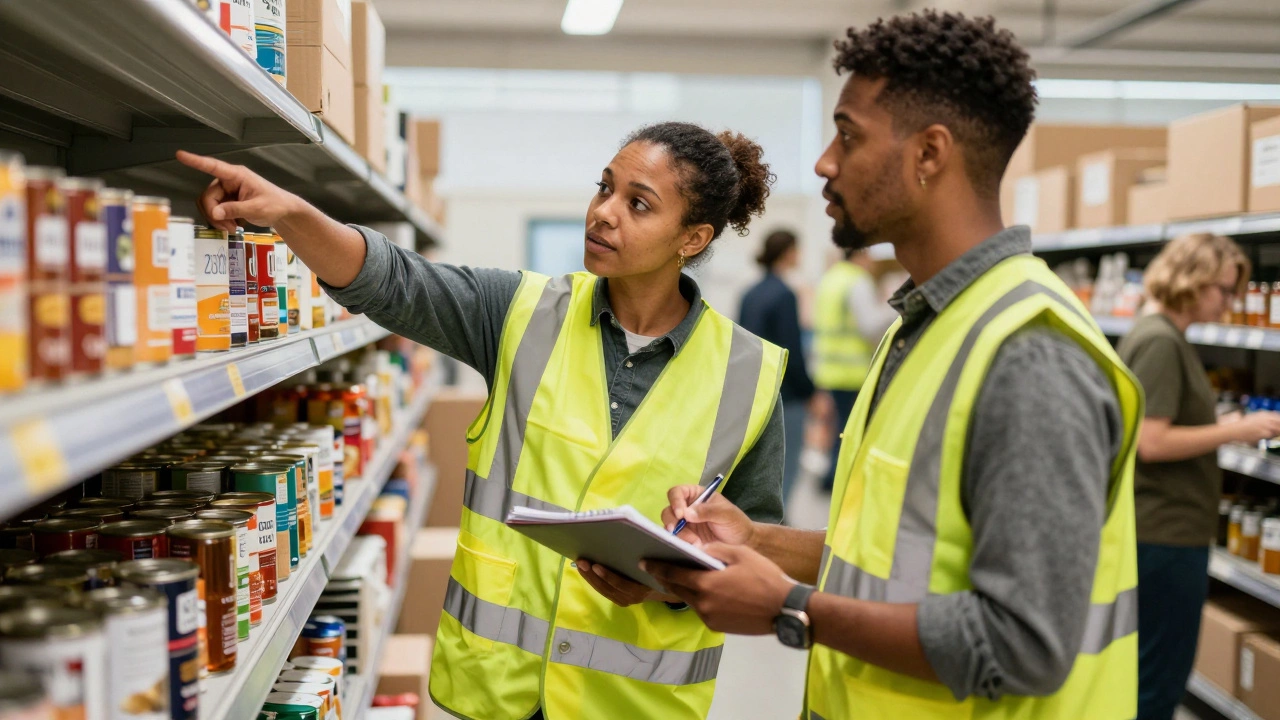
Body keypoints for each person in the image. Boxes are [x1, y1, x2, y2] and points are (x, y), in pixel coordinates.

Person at [175, 121, 787, 720]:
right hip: (500, 691)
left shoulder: (748, 375)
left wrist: (665, 587)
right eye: (604, 187)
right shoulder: (520, 313)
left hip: (636, 703)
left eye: (639, 203)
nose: (603, 212)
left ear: (693, 238)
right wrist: (289, 214)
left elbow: (755, 551)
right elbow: (392, 281)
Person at [644, 11, 1147, 719]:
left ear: (929, 154)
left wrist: (789, 607)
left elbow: (1024, 643)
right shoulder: (924, 325)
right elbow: (891, 559)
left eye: (847, 134)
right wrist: (755, 541)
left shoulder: (1030, 355)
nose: (824, 161)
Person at [1116, 233, 1280, 720]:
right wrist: (1233, 430)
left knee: (1150, 671)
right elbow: (1152, 442)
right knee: (1157, 679)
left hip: (1162, 531)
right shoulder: (1161, 341)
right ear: (1192, 281)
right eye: (1224, 290)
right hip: (1163, 536)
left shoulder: (1160, 334)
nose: (1230, 303)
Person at [739, 230, 816, 506]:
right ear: (788, 252)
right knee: (787, 465)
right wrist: (811, 391)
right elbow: (790, 352)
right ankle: (777, 527)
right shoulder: (785, 295)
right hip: (785, 395)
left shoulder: (750, 293)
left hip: (751, 392)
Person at [814, 247, 897, 491]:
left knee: (836, 427)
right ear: (860, 255)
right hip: (852, 372)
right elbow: (870, 326)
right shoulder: (857, 281)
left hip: (829, 369)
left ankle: (830, 476)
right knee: (848, 432)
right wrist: (894, 305)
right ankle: (837, 480)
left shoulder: (831, 278)